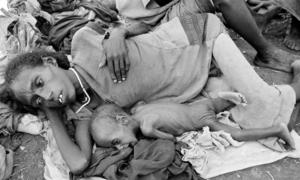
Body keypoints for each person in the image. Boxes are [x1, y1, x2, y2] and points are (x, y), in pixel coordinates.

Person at [3, 13, 299, 174]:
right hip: (194, 83)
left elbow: (144, 24)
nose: (47, 95)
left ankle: (294, 83)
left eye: (40, 83)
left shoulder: (84, 43)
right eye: (37, 99)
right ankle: (292, 81)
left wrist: (119, 31)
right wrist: (52, 114)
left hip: (198, 34)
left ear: (50, 62)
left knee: (262, 110)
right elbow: (79, 163)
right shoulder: (86, 114)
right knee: (243, 117)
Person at [100, 0, 299, 83]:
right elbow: (142, 20)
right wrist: (118, 31)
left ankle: (251, 21)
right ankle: (266, 53)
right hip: (151, 22)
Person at [91, 101, 295, 150]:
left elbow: (172, 139)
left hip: (200, 119)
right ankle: (241, 99)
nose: (119, 148)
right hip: (197, 104)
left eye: (116, 141)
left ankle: (278, 129)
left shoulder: (146, 129)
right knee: (232, 101)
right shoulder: (138, 109)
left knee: (235, 134)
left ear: (123, 121)